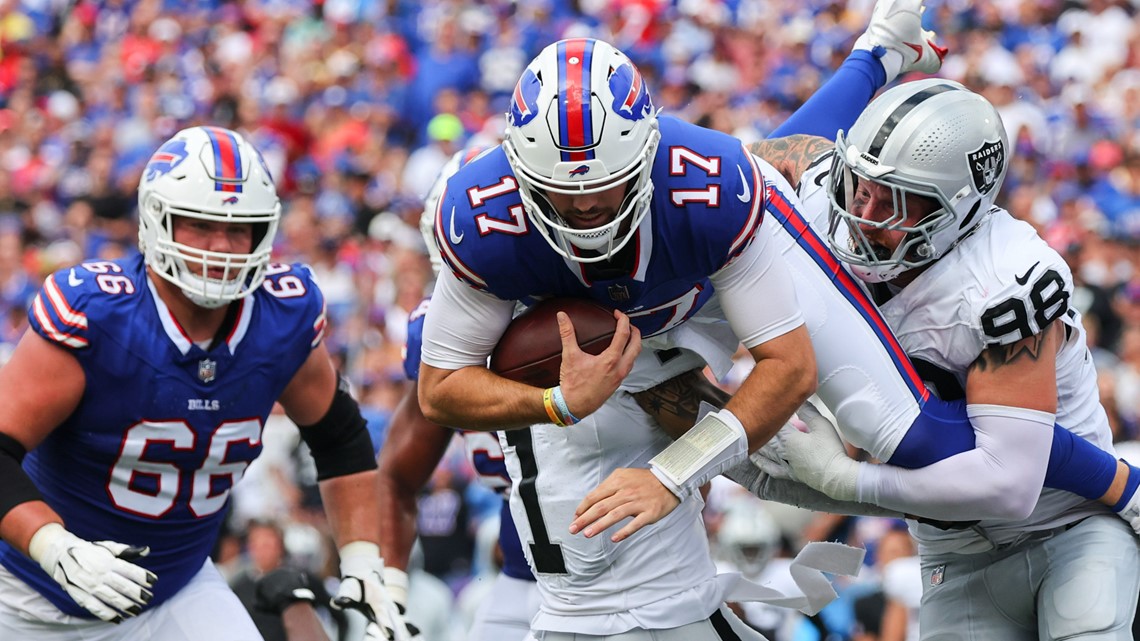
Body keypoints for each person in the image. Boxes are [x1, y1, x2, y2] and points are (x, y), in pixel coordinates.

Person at [417, 4, 943, 634]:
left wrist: (673, 474)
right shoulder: (486, 219)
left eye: (604, 185)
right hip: (616, 349)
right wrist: (558, 402)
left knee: (876, 439)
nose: (585, 208)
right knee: (779, 465)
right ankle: (882, 50)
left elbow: (791, 366)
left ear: (648, 152)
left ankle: (879, 53)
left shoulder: (710, 188)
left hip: (703, 292)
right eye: (563, 191)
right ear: (518, 170)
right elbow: (439, 388)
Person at [764, 80, 1140, 639]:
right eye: (859, 185)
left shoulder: (1003, 280)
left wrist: (850, 481)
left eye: (893, 200)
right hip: (951, 553)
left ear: (959, 208)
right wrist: (874, 58)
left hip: (1067, 528)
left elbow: (1009, 485)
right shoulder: (827, 197)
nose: (863, 214)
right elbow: (748, 171)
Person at [0, 126, 409, 640]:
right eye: (200, 225)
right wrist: (53, 545)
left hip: (174, 591)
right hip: (27, 595)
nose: (222, 247)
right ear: (156, 221)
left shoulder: (282, 318)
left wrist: (363, 561)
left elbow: (340, 439)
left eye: (240, 229)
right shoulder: (100, 316)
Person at [377, 148, 539, 641]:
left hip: (625, 572)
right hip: (518, 576)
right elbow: (396, 477)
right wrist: (388, 592)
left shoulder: (588, 320)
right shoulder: (434, 335)